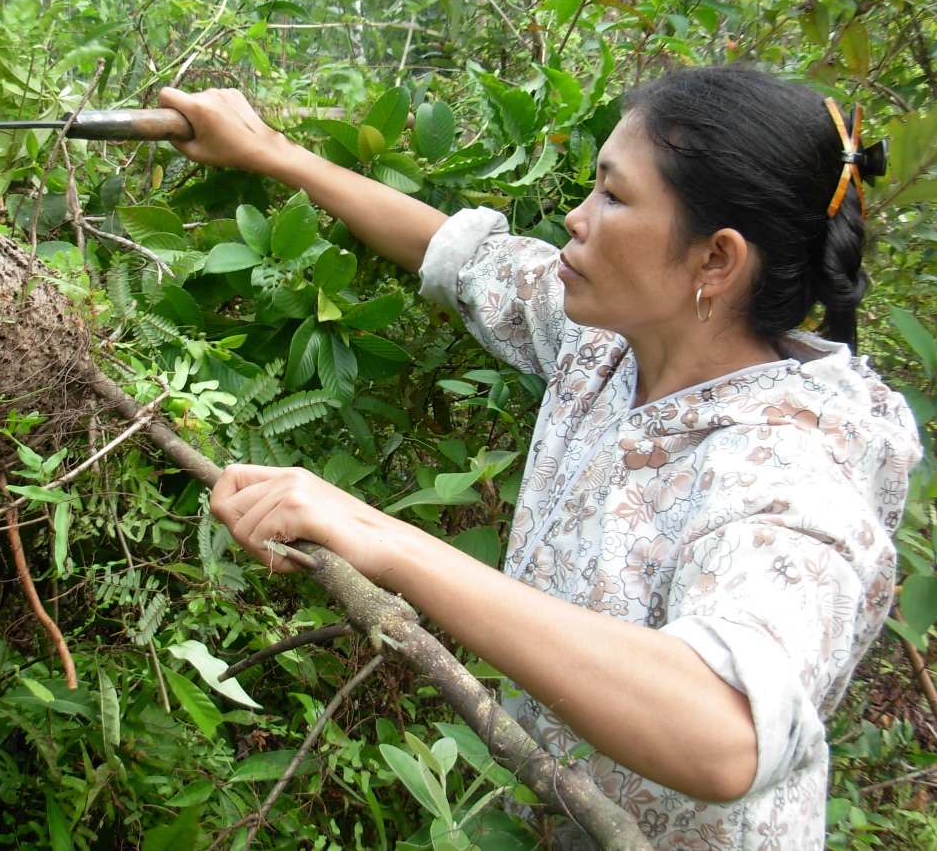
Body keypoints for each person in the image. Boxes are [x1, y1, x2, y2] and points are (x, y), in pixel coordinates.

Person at [157, 68, 921, 850]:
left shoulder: (793, 461)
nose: (575, 215)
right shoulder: (611, 342)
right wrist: (269, 152)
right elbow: (457, 256)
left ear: (715, 261)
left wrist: (381, 538)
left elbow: (727, 733)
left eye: (614, 198)